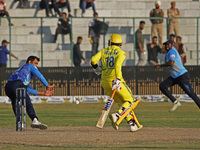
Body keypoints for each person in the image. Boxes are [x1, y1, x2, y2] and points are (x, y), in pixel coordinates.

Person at [91, 34, 143, 132]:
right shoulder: (121, 53)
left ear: (110, 42)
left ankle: (132, 124)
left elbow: (93, 60)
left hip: (105, 82)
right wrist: (118, 79)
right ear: (120, 43)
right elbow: (117, 66)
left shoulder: (103, 51)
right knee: (131, 100)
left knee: (123, 103)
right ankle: (117, 115)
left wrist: (97, 69)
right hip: (115, 80)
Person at [5, 56, 55, 129]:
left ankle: (19, 122)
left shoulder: (22, 73)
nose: (36, 66)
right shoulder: (29, 66)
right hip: (17, 84)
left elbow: (28, 90)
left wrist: (43, 93)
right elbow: (40, 76)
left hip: (8, 87)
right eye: (35, 63)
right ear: (30, 62)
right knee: (27, 102)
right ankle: (34, 119)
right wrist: (47, 85)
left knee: (15, 102)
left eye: (37, 64)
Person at [155, 40, 200, 112]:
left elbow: (171, 63)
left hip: (182, 76)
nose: (166, 46)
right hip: (175, 76)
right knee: (162, 86)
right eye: (165, 45)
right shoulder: (170, 52)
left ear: (172, 44)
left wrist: (160, 66)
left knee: (191, 94)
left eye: (168, 44)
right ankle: (175, 102)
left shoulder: (172, 51)